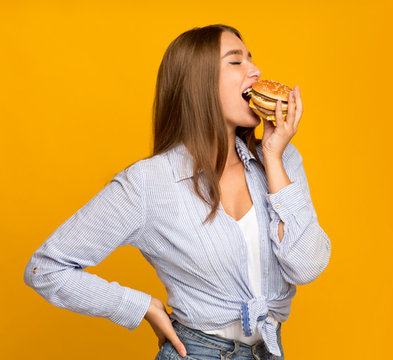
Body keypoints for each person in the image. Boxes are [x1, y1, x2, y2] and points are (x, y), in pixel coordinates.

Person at [22, 24, 331, 360]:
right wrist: (140, 307)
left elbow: (306, 266)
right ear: (199, 83)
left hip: (269, 352)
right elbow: (46, 268)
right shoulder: (150, 183)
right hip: (196, 352)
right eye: (236, 61)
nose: (255, 71)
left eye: (252, 59)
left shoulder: (281, 160)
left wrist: (272, 156)